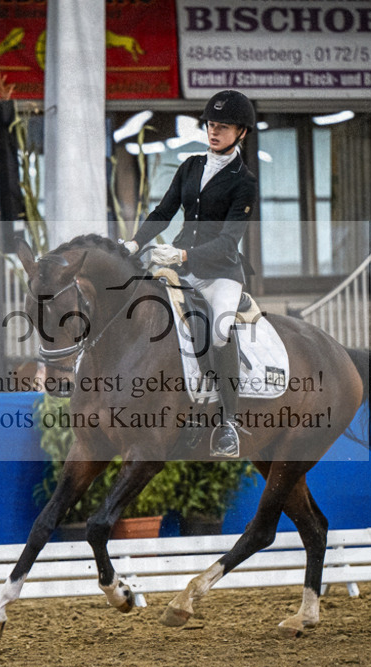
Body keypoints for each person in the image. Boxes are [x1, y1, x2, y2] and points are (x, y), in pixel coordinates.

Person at [121, 90, 257, 458]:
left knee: (219, 329)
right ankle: (185, 409)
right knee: (154, 318)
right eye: (211, 125)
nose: (214, 132)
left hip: (220, 273)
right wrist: (134, 245)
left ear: (240, 132)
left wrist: (182, 252)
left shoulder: (245, 182)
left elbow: (229, 242)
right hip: (179, 265)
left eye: (223, 127)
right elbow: (164, 211)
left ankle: (228, 421)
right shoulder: (191, 166)